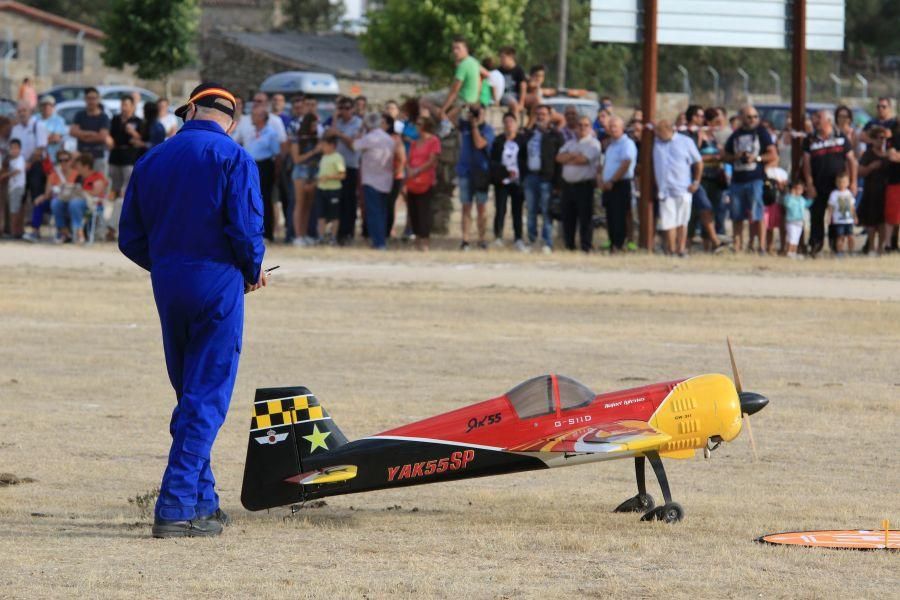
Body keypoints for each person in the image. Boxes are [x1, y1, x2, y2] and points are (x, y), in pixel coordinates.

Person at [118, 83, 266, 539]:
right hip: (217, 280)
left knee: (191, 394)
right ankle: (177, 504)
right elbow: (245, 228)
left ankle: (204, 502)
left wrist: (166, 263)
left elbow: (129, 238)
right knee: (208, 394)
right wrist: (252, 269)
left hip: (168, 280)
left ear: (190, 110)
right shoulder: (234, 157)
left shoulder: (152, 158)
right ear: (232, 121)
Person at [802, 110, 857, 256]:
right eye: (814, 118)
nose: (815, 120)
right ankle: (815, 245)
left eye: (818, 117)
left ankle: (836, 247)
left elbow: (851, 160)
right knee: (817, 216)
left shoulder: (840, 137)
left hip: (838, 186)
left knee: (837, 218)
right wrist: (809, 183)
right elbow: (806, 163)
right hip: (819, 185)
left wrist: (853, 182)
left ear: (828, 120)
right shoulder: (810, 139)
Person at [724, 105, 777, 252]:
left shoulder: (762, 132)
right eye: (749, 117)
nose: (753, 119)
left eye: (755, 116)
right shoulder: (735, 135)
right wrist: (736, 157)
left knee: (758, 213)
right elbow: (725, 156)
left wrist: (757, 158)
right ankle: (737, 245)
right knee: (736, 215)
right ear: (741, 118)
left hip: (755, 179)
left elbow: (773, 154)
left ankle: (761, 246)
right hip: (737, 180)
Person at [653, 119, 702, 256]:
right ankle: (671, 249)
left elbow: (698, 162)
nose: (657, 134)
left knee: (682, 221)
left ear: (668, 130)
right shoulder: (656, 142)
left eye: (659, 131)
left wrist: (696, 182)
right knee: (668, 222)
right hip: (665, 190)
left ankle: (681, 248)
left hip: (683, 188)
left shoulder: (685, 142)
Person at [556, 116, 600, 252]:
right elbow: (558, 158)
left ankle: (586, 246)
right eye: (580, 125)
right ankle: (569, 246)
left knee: (585, 218)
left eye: (586, 125)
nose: (582, 128)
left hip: (584, 185)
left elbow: (583, 160)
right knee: (568, 217)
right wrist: (573, 155)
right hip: (568, 185)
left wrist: (568, 157)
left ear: (590, 127)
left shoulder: (593, 144)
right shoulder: (570, 143)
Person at [522, 104, 562, 253]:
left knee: (546, 211)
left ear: (549, 116)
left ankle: (547, 242)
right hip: (530, 176)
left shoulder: (555, 135)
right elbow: (521, 154)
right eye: (538, 114)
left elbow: (559, 161)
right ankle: (532, 241)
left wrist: (557, 183)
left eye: (543, 114)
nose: (540, 117)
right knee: (531, 211)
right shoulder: (529, 134)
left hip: (546, 178)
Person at [352, 112, 395, 250]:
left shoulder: (369, 138)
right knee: (382, 212)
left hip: (370, 179)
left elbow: (354, 145)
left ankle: (378, 242)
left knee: (373, 212)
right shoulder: (389, 139)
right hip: (386, 179)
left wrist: (361, 131)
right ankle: (381, 239)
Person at [456, 103, 494, 250]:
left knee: (481, 208)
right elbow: (447, 117)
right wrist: (462, 106)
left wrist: (474, 126)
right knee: (466, 207)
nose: (477, 116)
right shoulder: (464, 125)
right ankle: (465, 239)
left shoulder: (488, 130)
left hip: (481, 173)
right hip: (466, 171)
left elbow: (479, 144)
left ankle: (481, 238)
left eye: (479, 113)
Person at [107, 94, 143, 241]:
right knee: (114, 190)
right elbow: (110, 135)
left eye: (127, 105)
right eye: (122, 104)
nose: (124, 107)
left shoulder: (138, 121)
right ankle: (109, 222)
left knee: (124, 192)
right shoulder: (115, 119)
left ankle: (115, 226)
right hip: (115, 156)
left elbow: (141, 139)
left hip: (129, 157)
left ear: (132, 107)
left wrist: (132, 132)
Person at [242, 105, 281, 241]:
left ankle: (267, 233)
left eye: (255, 115)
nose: (252, 117)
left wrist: (275, 174)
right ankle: (252, 231)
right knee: (250, 199)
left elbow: (277, 156)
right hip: (251, 166)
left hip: (265, 167)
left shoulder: (271, 133)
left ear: (263, 118)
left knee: (264, 200)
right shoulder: (252, 132)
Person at [327, 97, 362, 244]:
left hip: (350, 166)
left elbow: (353, 144)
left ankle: (348, 232)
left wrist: (339, 133)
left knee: (349, 201)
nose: (344, 111)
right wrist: (335, 120)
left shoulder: (358, 123)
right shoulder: (337, 122)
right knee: (337, 201)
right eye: (341, 108)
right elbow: (329, 138)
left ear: (352, 109)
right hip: (335, 167)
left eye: (347, 108)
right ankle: (338, 233)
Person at [11, 102, 49, 239]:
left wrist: (29, 163)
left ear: (30, 111)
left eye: (24, 110)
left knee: (36, 197)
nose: (22, 113)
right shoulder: (16, 128)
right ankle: (17, 230)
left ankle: (35, 229)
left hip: (35, 166)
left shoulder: (38, 125)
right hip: (20, 167)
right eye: (19, 110)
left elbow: (41, 147)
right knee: (20, 197)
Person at [600, 116, 637, 253]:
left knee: (620, 215)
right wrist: (603, 181)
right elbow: (605, 164)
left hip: (620, 183)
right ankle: (613, 242)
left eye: (615, 126)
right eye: (610, 126)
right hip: (609, 185)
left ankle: (619, 244)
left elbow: (626, 163)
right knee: (610, 215)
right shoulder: (611, 145)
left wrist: (612, 180)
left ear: (622, 128)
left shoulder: (627, 144)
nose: (612, 128)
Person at [490, 112, 527, 251]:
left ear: (516, 124)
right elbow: (493, 161)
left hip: (518, 181)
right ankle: (498, 236)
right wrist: (504, 172)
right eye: (506, 122)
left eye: (511, 121)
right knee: (500, 209)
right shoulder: (499, 141)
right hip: (502, 180)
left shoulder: (522, 141)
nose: (509, 124)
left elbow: (525, 159)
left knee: (517, 210)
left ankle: (518, 238)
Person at [406, 116, 441, 251]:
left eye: (419, 123)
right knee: (413, 211)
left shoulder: (433, 141)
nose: (417, 126)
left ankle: (425, 241)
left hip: (425, 180)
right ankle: (417, 239)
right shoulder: (415, 142)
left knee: (423, 212)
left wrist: (417, 170)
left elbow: (432, 160)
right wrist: (409, 169)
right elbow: (410, 158)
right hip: (412, 180)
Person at [290, 113, 321, 247]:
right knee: (300, 204)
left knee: (308, 206)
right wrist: (314, 151)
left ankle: (304, 234)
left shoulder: (316, 138)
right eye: (313, 124)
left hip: (313, 172)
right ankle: (297, 236)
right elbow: (296, 159)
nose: (315, 127)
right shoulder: (298, 139)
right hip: (301, 172)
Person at [858, 126, 889, 255]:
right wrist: (871, 167)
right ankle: (871, 247)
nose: (882, 141)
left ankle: (881, 247)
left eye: (885, 138)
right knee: (871, 222)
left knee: (883, 221)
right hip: (871, 191)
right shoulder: (868, 154)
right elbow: (860, 172)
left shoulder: (888, 155)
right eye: (880, 138)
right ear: (874, 139)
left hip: (885, 192)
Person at [440, 36, 482, 121]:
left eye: (458, 48)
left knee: (425, 101)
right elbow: (482, 78)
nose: (455, 51)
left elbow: (454, 91)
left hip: (463, 103)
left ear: (466, 49)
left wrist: (442, 111)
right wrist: (477, 98)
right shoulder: (474, 62)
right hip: (472, 102)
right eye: (453, 49)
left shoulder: (463, 65)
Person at [71, 87, 111, 173]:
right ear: (85, 99)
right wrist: (90, 133)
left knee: (98, 182)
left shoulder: (104, 117)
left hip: (98, 156)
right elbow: (73, 132)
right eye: (89, 98)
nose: (91, 101)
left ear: (98, 99)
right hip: (82, 156)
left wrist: (82, 136)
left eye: (94, 98)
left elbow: (102, 137)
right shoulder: (79, 115)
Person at [315, 135, 345, 244]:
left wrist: (328, 177)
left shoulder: (337, 157)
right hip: (321, 189)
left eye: (324, 145)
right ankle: (321, 237)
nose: (322, 147)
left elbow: (342, 175)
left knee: (334, 215)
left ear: (332, 146)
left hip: (334, 190)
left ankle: (333, 237)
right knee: (320, 215)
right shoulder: (324, 157)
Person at [383, 113, 406, 239]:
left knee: (389, 204)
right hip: (384, 176)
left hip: (394, 177)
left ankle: (386, 232)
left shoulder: (395, 139)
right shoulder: (381, 137)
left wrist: (396, 173)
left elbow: (402, 159)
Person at [826, 172, 857, 256]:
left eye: (844, 182)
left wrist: (855, 216)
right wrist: (829, 217)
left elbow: (852, 206)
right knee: (840, 237)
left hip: (848, 220)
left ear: (847, 183)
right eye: (839, 182)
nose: (842, 184)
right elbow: (830, 207)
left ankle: (852, 251)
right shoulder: (834, 194)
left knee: (851, 236)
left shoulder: (849, 193)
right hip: (839, 221)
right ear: (836, 183)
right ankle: (840, 252)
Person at [781, 180, 813, 259]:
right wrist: (791, 195)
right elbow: (786, 204)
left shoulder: (802, 199)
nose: (798, 191)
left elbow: (807, 204)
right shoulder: (788, 198)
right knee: (791, 237)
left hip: (800, 222)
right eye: (796, 188)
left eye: (800, 189)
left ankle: (793, 252)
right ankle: (789, 251)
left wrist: (812, 198)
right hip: (791, 221)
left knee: (796, 238)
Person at [1, 139, 26, 238]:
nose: (14, 150)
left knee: (14, 210)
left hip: (18, 187)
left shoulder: (20, 159)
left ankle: (14, 232)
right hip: (12, 188)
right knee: (12, 209)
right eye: (12, 148)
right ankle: (13, 231)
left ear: (20, 149)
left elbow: (16, 171)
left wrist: (4, 175)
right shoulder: (9, 160)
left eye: (16, 148)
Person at [497, 47, 526, 119]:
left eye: (503, 58)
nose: (501, 60)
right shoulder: (499, 71)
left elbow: (523, 86)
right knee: (514, 105)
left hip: (516, 95)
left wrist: (521, 103)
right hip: (505, 95)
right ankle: (515, 126)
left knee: (535, 100)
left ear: (511, 57)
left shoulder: (519, 70)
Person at [37, 96, 67, 163]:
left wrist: (39, 140)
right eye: (44, 105)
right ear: (40, 107)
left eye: (50, 105)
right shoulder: (35, 119)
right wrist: (48, 137)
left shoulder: (59, 120)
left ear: (53, 107)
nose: (47, 107)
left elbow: (56, 138)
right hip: (37, 158)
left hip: (53, 158)